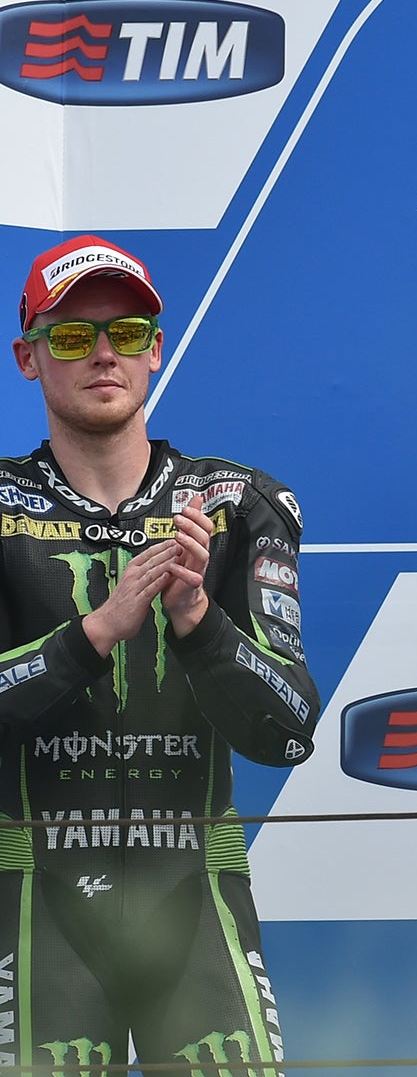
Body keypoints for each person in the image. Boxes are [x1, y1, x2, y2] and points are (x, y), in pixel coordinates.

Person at [0, 235, 318, 1074]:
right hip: (32, 899)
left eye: (128, 333)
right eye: (72, 337)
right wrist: (95, 632)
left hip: (198, 898)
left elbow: (287, 733)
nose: (104, 354)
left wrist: (199, 621)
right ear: (28, 358)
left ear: (156, 351)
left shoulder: (238, 503)